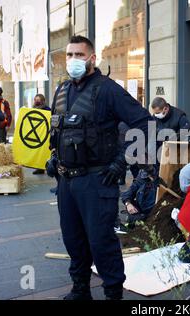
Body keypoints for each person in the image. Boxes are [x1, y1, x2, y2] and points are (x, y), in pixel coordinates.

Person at [47, 35, 152, 300]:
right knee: (73, 239)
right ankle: (80, 289)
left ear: (92, 58)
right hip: (66, 182)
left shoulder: (107, 89)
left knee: (101, 241)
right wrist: (53, 156)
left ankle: (113, 294)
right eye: (69, 55)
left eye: (79, 55)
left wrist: (122, 161)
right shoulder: (61, 90)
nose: (73, 60)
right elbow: (60, 130)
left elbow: (145, 124)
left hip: (97, 181)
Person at [32, 94, 51, 175]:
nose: (37, 101)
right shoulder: (32, 109)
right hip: (37, 132)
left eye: (38, 100)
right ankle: (39, 168)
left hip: (45, 132)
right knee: (37, 151)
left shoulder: (47, 109)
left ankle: (48, 167)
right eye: (35, 99)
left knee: (44, 150)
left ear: (42, 100)